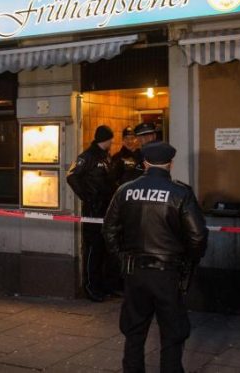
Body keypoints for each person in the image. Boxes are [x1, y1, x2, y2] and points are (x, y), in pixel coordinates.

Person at [102, 141, 208, 373]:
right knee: (172, 331)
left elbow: (109, 230)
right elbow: (198, 236)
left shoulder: (125, 190)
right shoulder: (181, 193)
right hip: (168, 273)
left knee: (134, 330)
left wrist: (121, 258)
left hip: (134, 272)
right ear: (170, 164)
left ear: (145, 163)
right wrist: (189, 262)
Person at [66, 125, 115, 302]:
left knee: (103, 249)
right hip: (93, 210)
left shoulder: (106, 156)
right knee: (93, 249)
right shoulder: (87, 156)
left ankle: (102, 285)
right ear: (105, 139)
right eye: (110, 139)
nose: (112, 142)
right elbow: (71, 176)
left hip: (106, 209)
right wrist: (87, 197)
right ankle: (90, 287)